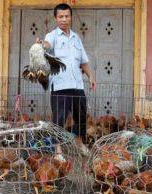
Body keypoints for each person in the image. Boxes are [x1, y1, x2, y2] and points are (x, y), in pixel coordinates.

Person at [37, 3, 96, 156]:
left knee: (81, 116)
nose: (64, 19)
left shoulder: (76, 38)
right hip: (60, 85)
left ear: (70, 17)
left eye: (67, 16)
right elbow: (47, 45)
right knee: (59, 119)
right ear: (56, 18)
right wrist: (42, 45)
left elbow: (83, 61)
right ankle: (58, 150)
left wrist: (91, 76)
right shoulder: (52, 36)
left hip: (77, 85)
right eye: (60, 16)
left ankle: (79, 142)